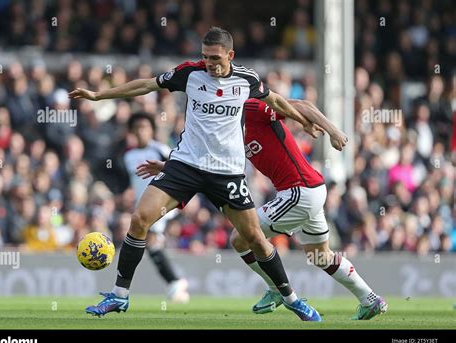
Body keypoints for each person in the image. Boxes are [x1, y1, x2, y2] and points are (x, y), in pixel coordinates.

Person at [69, 27, 344, 321]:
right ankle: (119, 296)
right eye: (205, 57)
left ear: (230, 55)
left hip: (226, 174)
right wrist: (99, 96)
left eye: (215, 57)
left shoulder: (246, 79)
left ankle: (291, 299)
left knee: (255, 238)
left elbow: (275, 100)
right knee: (139, 219)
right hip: (185, 165)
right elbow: (147, 85)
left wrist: (305, 122)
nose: (209, 63)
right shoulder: (190, 74)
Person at [138, 98, 387, 320]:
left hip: (299, 190)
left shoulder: (251, 108)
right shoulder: (227, 134)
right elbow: (200, 163)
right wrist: (166, 167)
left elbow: (301, 106)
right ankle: (370, 299)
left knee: (241, 238)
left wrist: (333, 131)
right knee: (319, 256)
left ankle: (277, 289)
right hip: (308, 191)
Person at [124, 111, 189, 303]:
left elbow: (179, 168)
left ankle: (175, 281)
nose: (140, 131)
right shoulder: (128, 156)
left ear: (151, 129)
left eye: (144, 127)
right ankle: (174, 281)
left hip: (163, 203)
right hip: (142, 206)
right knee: (151, 243)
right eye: (137, 128)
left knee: (151, 240)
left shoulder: (159, 149)